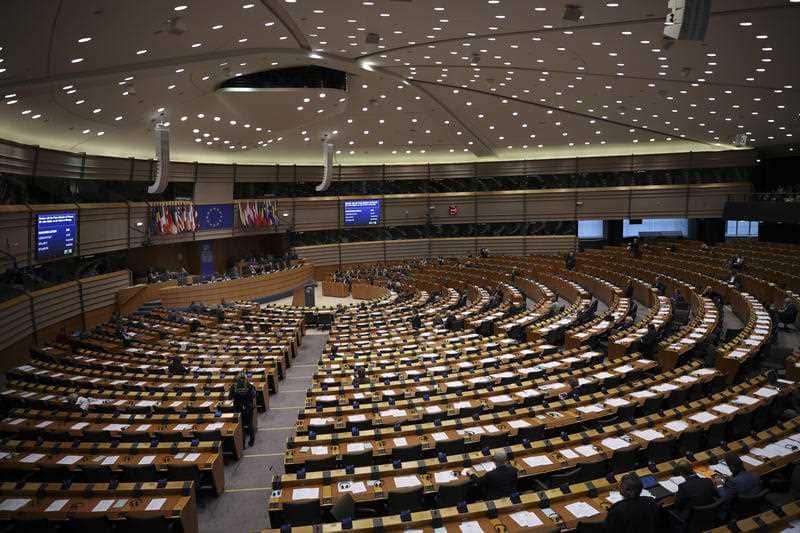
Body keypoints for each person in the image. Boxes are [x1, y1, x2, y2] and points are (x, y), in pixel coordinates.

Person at [230, 372, 257, 447]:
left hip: (238, 409)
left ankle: (242, 444)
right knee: (249, 424)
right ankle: (251, 441)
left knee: (240, 426)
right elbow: (254, 395)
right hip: (248, 408)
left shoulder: (233, 386)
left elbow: (230, 397)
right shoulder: (249, 385)